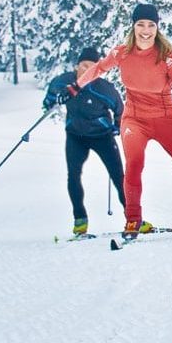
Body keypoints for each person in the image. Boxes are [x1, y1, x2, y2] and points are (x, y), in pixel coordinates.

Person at [62, 4, 172, 239]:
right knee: (134, 167)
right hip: (134, 119)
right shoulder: (122, 53)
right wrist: (77, 86)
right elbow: (98, 69)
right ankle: (133, 221)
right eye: (140, 25)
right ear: (133, 27)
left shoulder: (168, 58)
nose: (146, 30)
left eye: (151, 25)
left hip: (166, 119)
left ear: (157, 28)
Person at [44, 47, 127, 236]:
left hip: (102, 136)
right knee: (73, 175)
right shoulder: (64, 82)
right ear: (77, 66)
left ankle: (133, 217)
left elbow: (119, 109)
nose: (87, 71)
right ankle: (80, 220)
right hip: (75, 135)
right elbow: (50, 96)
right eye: (84, 66)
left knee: (118, 176)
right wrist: (51, 101)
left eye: (92, 67)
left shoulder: (104, 88)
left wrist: (117, 126)